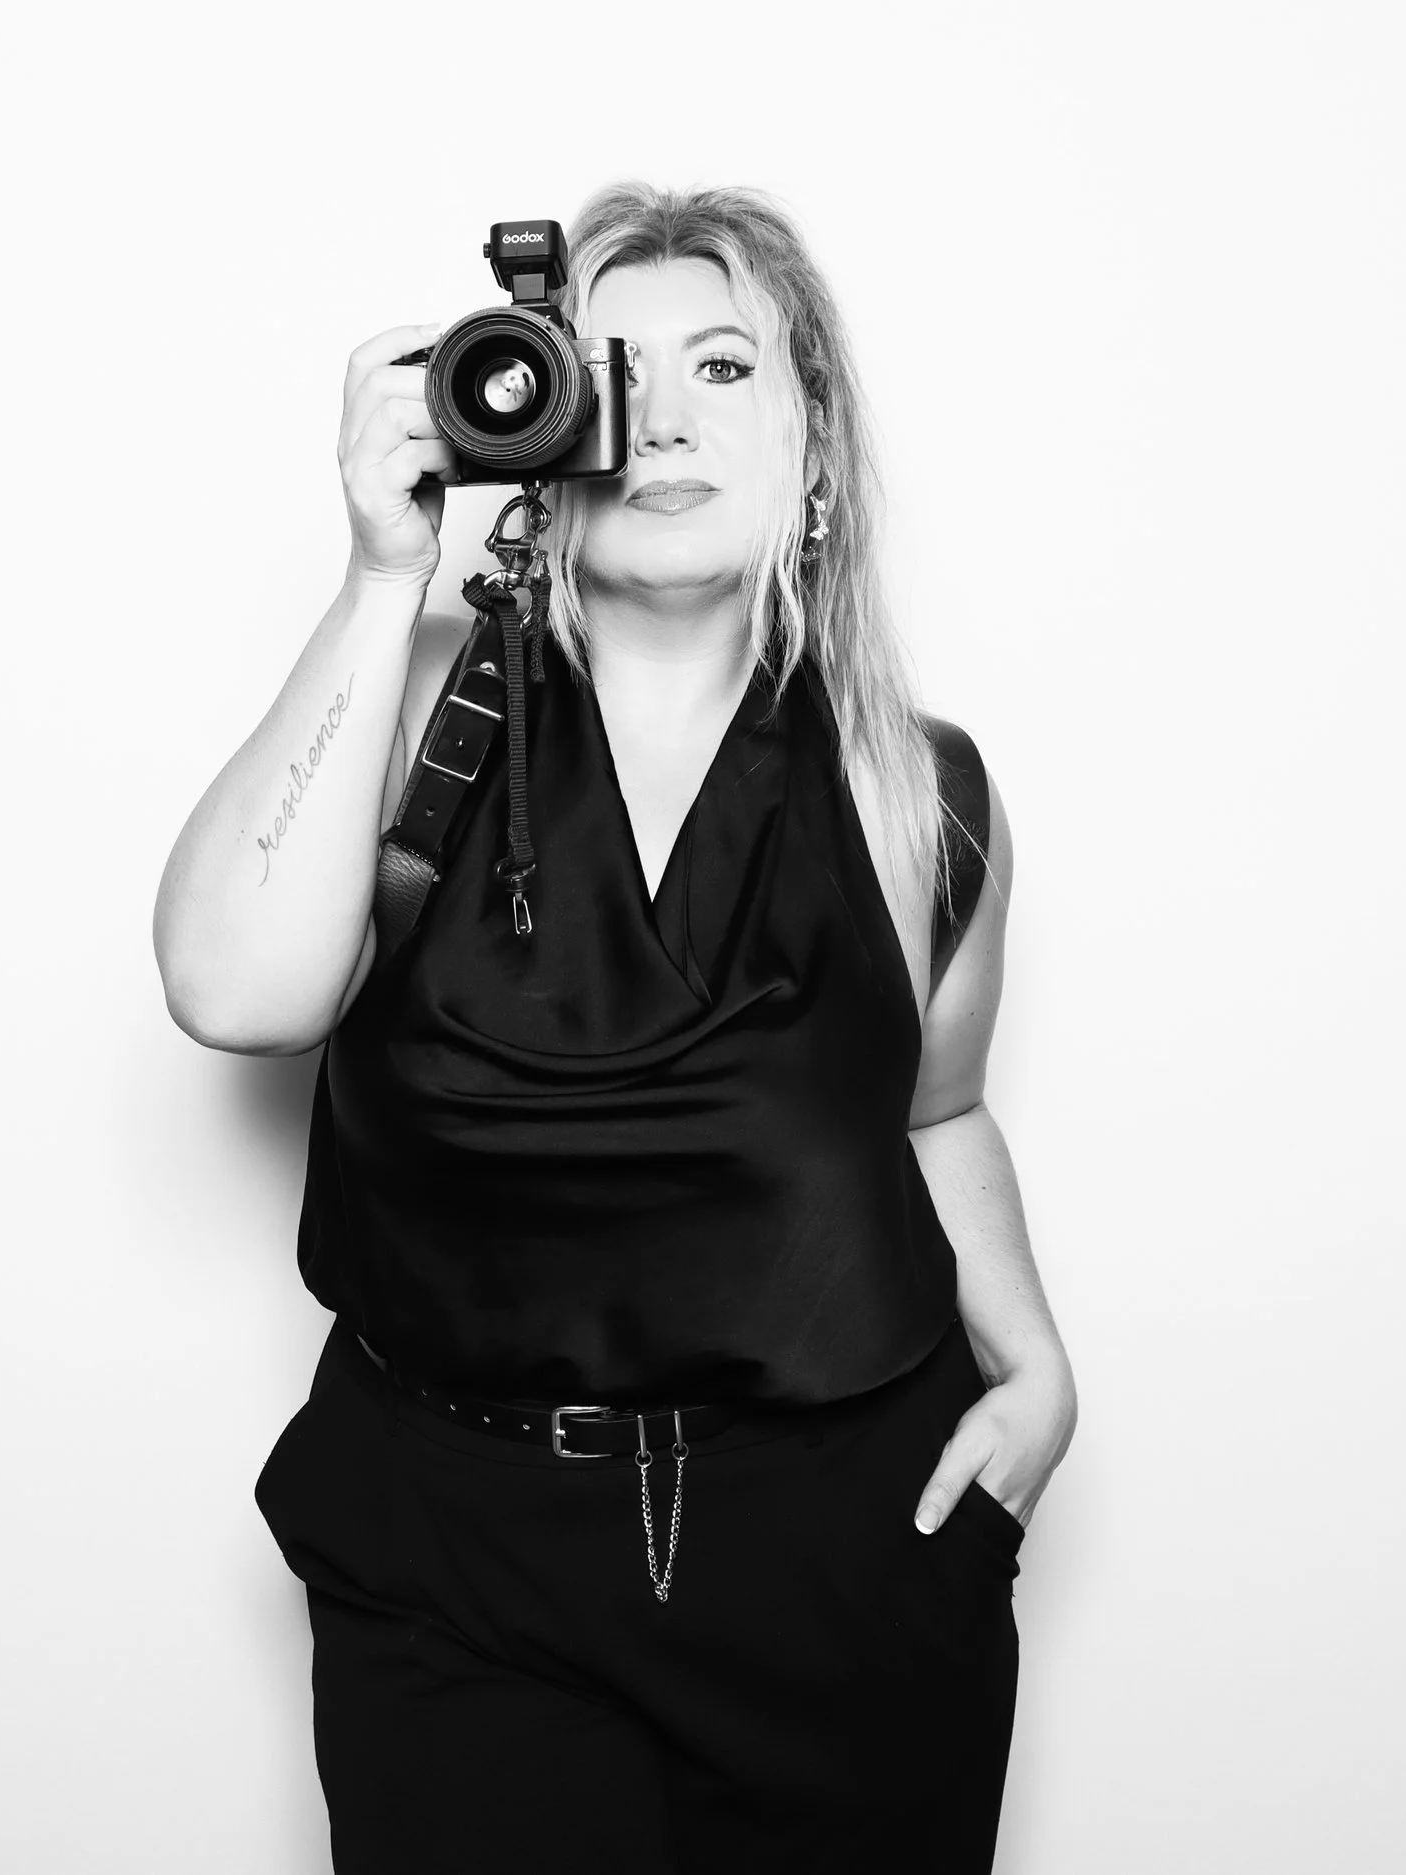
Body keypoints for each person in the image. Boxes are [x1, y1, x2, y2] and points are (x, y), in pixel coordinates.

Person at [152, 182, 1076, 1874]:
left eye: (726, 369)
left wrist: (1035, 1365)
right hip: (460, 1555)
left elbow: (935, 1111)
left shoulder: (913, 788)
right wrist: (383, 570)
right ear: (543, 426)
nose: (668, 416)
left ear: (814, 462)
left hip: (844, 1554)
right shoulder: (423, 703)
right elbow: (233, 991)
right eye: (619, 370)